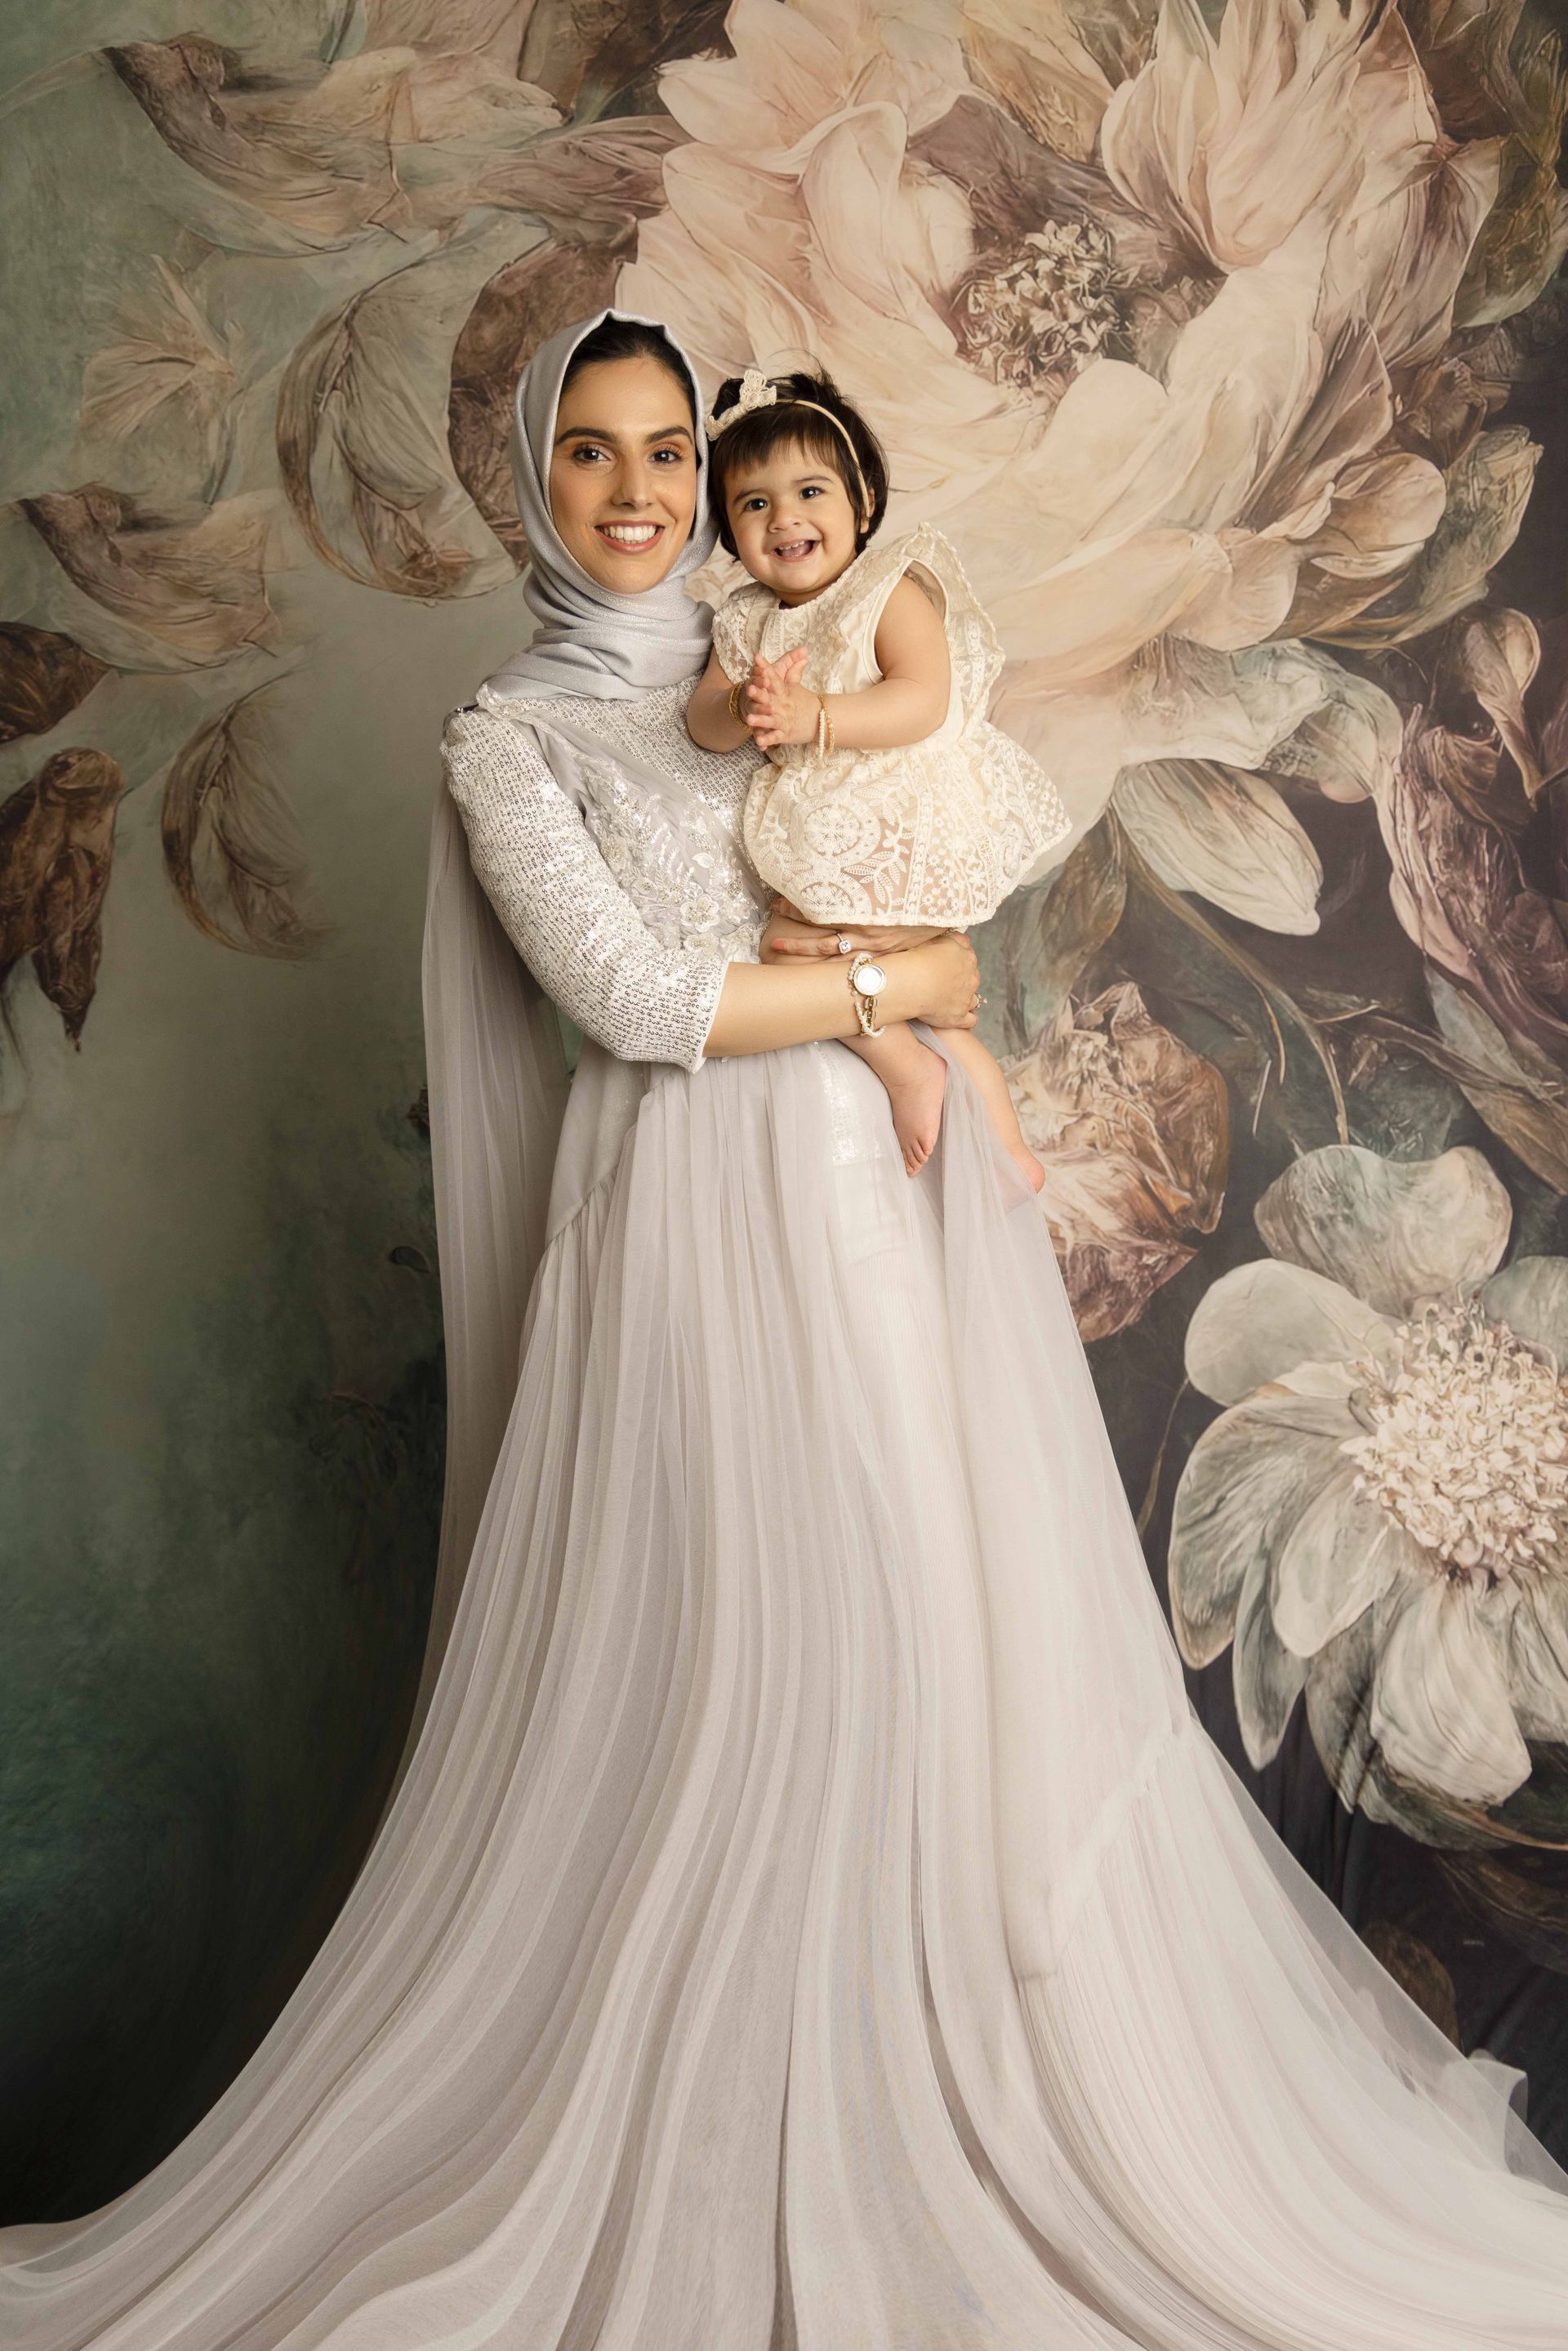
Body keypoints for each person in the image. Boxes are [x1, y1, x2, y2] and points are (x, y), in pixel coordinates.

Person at [4, 306, 1568, 2350]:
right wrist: (891, 998)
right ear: (533, 477)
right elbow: (636, 1000)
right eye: (592, 453)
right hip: (688, 1212)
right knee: (726, 1640)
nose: (640, 491)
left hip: (862, 1190)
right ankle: (737, 2152)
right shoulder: (511, 739)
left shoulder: (790, 645)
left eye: (669, 451)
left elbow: (905, 860)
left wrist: (913, 1005)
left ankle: (945, 2122)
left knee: (933, 1633)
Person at [687, 364, 1068, 1184]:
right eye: (754, 504)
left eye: (810, 492)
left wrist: (814, 717)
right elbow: (703, 724)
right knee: (919, 1006)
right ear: (728, 528)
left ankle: (905, 1070)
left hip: (894, 829)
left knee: (789, 954)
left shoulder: (886, 589)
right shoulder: (747, 620)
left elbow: (923, 698)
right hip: (834, 833)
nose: (785, 517)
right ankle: (1008, 1150)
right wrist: (745, 704)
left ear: (861, 502)